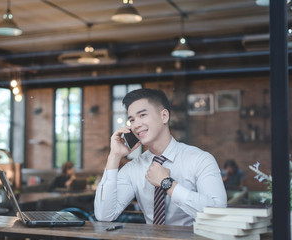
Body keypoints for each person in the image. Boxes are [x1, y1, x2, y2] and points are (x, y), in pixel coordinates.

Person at [94, 88, 227, 226]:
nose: (136, 125)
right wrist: (114, 156)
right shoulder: (133, 168)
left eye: (142, 115)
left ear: (164, 116)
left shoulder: (200, 160)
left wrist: (167, 184)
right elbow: (104, 216)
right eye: (132, 120)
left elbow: (218, 213)